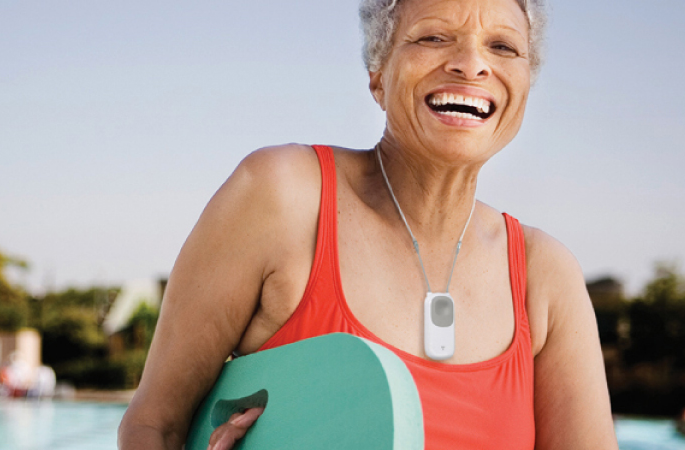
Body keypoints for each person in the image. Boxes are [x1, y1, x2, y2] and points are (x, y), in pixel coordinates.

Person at [118, 0, 619, 449]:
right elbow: (152, 425)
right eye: (433, 37)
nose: (471, 65)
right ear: (377, 74)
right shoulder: (282, 197)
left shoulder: (545, 275)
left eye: (503, 46)